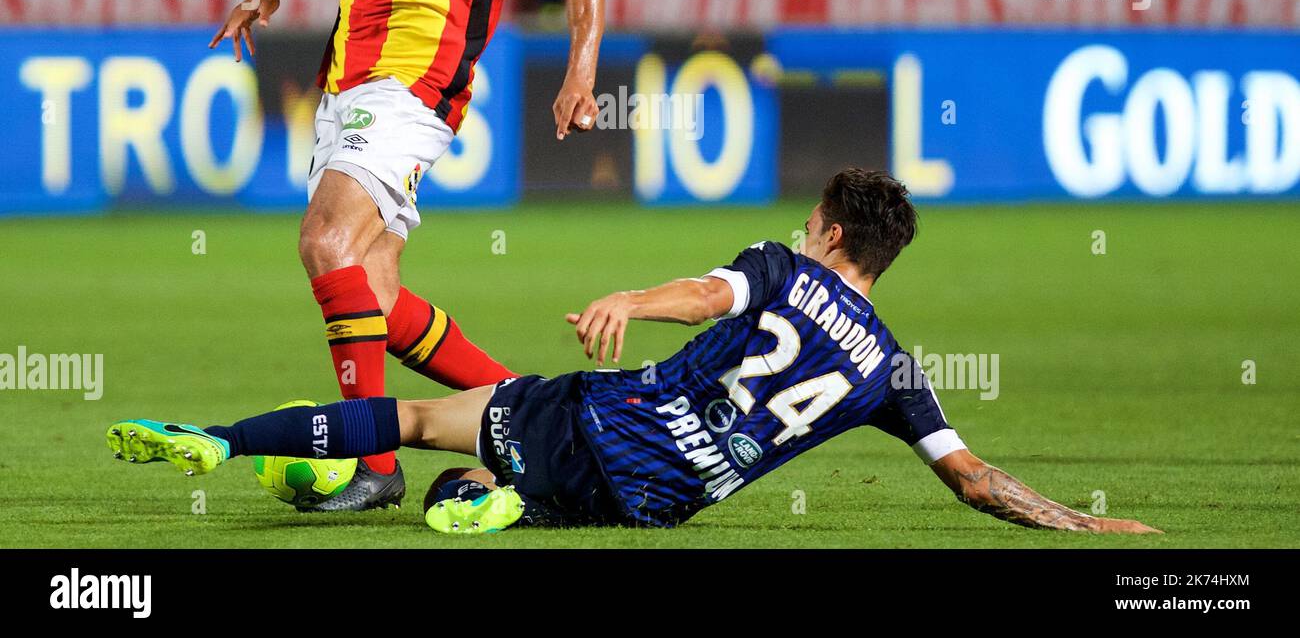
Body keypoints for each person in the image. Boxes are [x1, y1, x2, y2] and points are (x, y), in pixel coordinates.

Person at [108, 169, 1160, 537]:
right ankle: (500, 498)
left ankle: (223, 437)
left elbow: (710, 294)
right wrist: (1081, 521)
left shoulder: (780, 267)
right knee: (489, 463)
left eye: (810, 220)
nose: (800, 229)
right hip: (658, 500)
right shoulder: (893, 369)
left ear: (833, 232)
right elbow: (974, 481)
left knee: (424, 421)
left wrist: (626, 296)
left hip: (604, 418)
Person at [205, 0, 605, 510]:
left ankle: (376, 461)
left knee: (324, 241)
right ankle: (527, 410)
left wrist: (580, 73)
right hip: (346, 80)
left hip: (414, 90)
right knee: (376, 298)